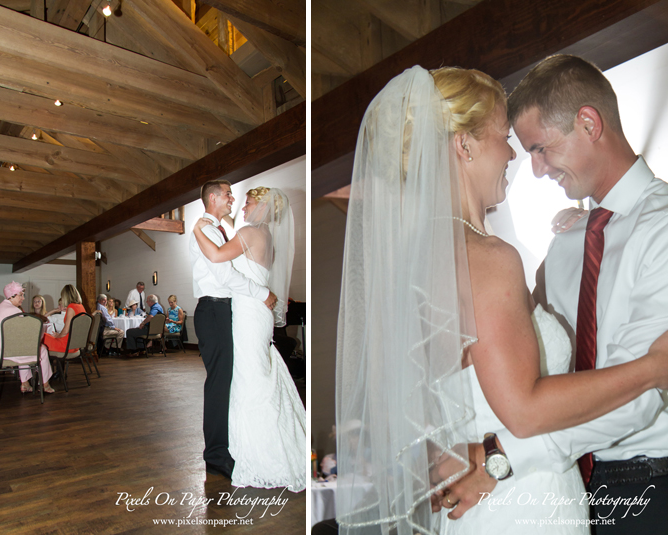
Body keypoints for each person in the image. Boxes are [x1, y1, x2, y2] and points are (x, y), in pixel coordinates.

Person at [334, 65, 668, 535]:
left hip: (625, 483)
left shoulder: (423, 258)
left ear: (589, 124)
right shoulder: (494, 255)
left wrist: (490, 456)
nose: (521, 159)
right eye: (508, 139)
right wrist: (655, 367)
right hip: (519, 495)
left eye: (537, 147)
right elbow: (527, 403)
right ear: (463, 145)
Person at [443, 55, 668, 534]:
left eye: (541, 149)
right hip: (556, 485)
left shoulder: (664, 229)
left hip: (645, 485)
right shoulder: (564, 246)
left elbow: (646, 393)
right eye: (522, 150)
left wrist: (501, 458)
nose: (537, 169)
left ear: (588, 123)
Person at [193, 186, 305, 492]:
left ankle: (250, 448)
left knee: (248, 377)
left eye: (248, 202)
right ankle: (242, 445)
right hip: (252, 312)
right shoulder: (264, 236)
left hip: (246, 313)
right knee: (251, 374)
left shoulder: (248, 232)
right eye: (237, 200)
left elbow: (217, 257)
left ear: (264, 207)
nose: (242, 207)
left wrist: (197, 231)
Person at [189, 179, 277, 482]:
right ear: (213, 197)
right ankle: (215, 455)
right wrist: (261, 293)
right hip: (212, 310)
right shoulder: (205, 230)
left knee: (228, 380)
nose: (233, 199)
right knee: (218, 383)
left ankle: (230, 445)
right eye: (228, 194)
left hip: (223, 310)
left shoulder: (217, 228)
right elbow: (225, 275)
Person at [0, 281, 54, 394]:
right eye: (21, 295)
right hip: (10, 353)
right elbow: (26, 336)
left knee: (25, 347)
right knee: (41, 349)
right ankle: (45, 384)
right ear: (12, 296)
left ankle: (25, 383)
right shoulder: (15, 311)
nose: (23, 298)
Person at [42, 285, 86, 354]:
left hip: (66, 345)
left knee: (40, 336)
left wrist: (57, 335)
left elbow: (65, 331)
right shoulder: (81, 306)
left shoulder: (71, 307)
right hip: (75, 345)